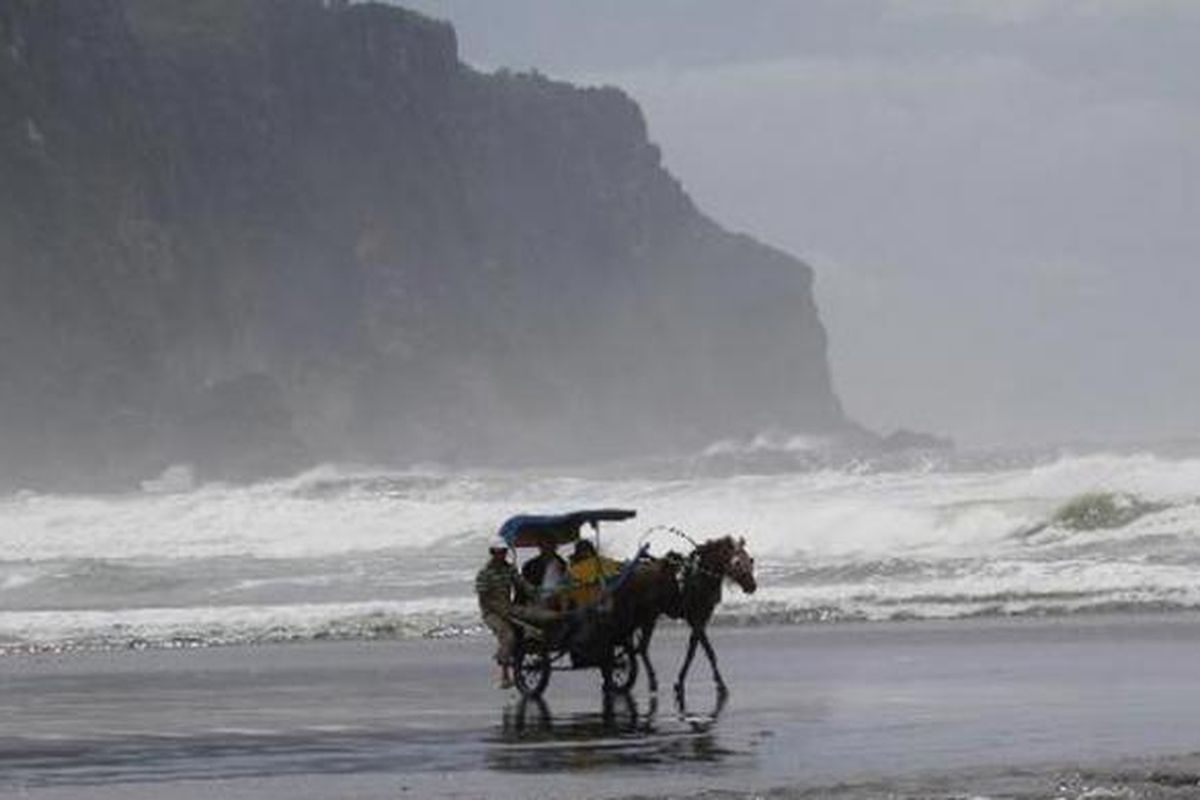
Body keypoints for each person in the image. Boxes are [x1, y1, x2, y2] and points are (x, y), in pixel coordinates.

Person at [475, 537, 536, 689]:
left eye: (504, 552)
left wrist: (538, 592)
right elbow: (484, 599)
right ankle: (504, 675)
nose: (502, 555)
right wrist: (500, 611)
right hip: (491, 612)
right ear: (492, 553)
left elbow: (522, 585)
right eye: (499, 552)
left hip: (508, 607)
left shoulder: (509, 569)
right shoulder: (484, 573)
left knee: (536, 618)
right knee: (508, 635)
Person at [566, 539, 623, 606]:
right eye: (582, 550)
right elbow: (573, 583)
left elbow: (616, 566)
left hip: (603, 594)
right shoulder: (574, 567)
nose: (585, 552)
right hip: (586, 600)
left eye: (586, 549)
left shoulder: (599, 561)